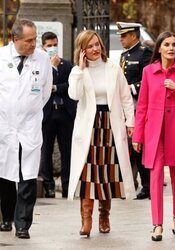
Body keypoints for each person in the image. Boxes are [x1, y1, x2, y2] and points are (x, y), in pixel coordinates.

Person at [67, 30, 136, 237]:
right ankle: (86, 220)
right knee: (88, 173)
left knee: (106, 172)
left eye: (97, 44)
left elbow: (125, 98)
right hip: (89, 127)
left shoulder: (113, 68)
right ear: (82, 50)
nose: (95, 49)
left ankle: (104, 216)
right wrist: (79, 69)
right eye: (89, 46)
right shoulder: (77, 71)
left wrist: (130, 122)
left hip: (110, 124)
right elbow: (74, 95)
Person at [132, 31, 175, 241]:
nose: (171, 48)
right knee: (156, 175)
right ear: (159, 48)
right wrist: (138, 136)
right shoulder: (149, 71)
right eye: (167, 45)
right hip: (154, 131)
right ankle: (157, 224)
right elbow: (141, 106)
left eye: (174, 45)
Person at [0, 19, 52, 239]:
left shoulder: (43, 58)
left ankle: (23, 224)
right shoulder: (1, 57)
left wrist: (29, 111)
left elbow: (45, 91)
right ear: (15, 39)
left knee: (27, 176)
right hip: (5, 127)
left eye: (35, 40)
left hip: (29, 127)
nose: (33, 45)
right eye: (29, 41)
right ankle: (6, 218)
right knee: (5, 175)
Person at [117, 21, 152, 199]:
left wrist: (131, 88)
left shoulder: (145, 54)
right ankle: (130, 182)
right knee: (127, 145)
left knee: (139, 146)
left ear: (133, 35)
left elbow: (148, 79)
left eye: (124, 36)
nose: (121, 39)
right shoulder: (124, 55)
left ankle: (148, 185)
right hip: (125, 105)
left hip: (139, 104)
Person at [39, 32, 77, 198]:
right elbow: (41, 86)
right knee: (45, 151)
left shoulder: (67, 65)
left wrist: (55, 87)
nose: (52, 48)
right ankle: (49, 185)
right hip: (47, 114)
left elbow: (70, 86)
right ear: (43, 47)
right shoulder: (41, 66)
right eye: (49, 45)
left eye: (54, 44)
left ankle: (67, 184)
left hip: (64, 113)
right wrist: (52, 70)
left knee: (66, 151)